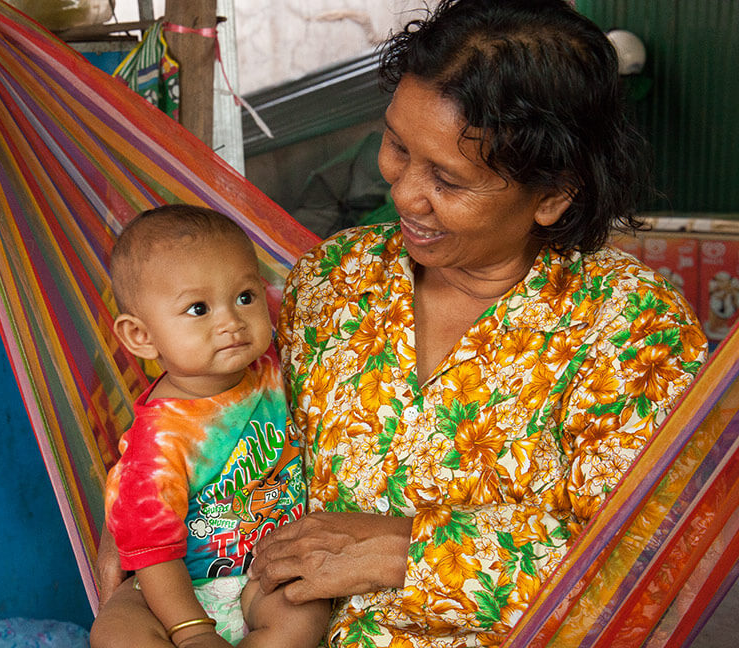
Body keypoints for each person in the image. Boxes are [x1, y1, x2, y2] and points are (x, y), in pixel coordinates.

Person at [92, 2, 709, 646]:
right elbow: (219, 399)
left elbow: (653, 560)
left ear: (552, 196)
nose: (404, 194)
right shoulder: (337, 279)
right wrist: (139, 509)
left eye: (447, 179)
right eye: (396, 145)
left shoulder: (631, 330)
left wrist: (409, 551)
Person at [96, 204, 329, 648]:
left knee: (303, 610)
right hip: (172, 585)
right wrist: (192, 632)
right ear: (141, 337)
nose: (231, 322)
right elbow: (152, 551)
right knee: (114, 631)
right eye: (198, 308)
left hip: (265, 573)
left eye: (245, 296)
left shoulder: (277, 365)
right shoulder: (158, 440)